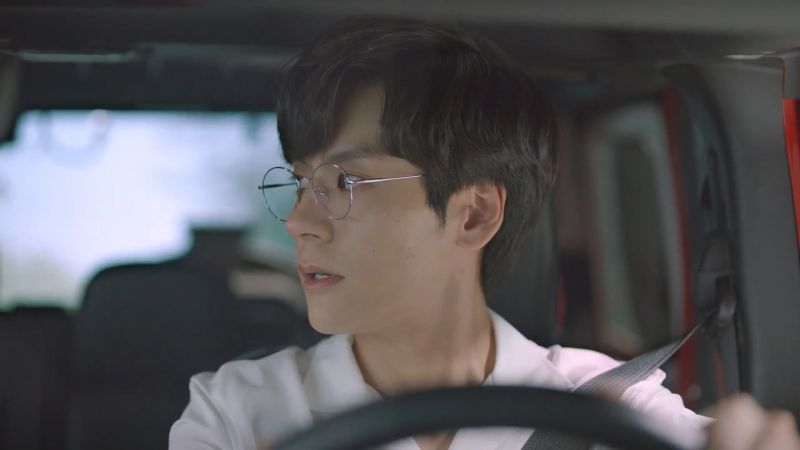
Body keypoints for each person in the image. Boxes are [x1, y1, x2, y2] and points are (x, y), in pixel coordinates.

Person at [169, 17, 800, 450]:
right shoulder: (238, 411)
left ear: (473, 214)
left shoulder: (613, 407)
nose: (297, 222)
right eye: (301, 182)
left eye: (345, 182)